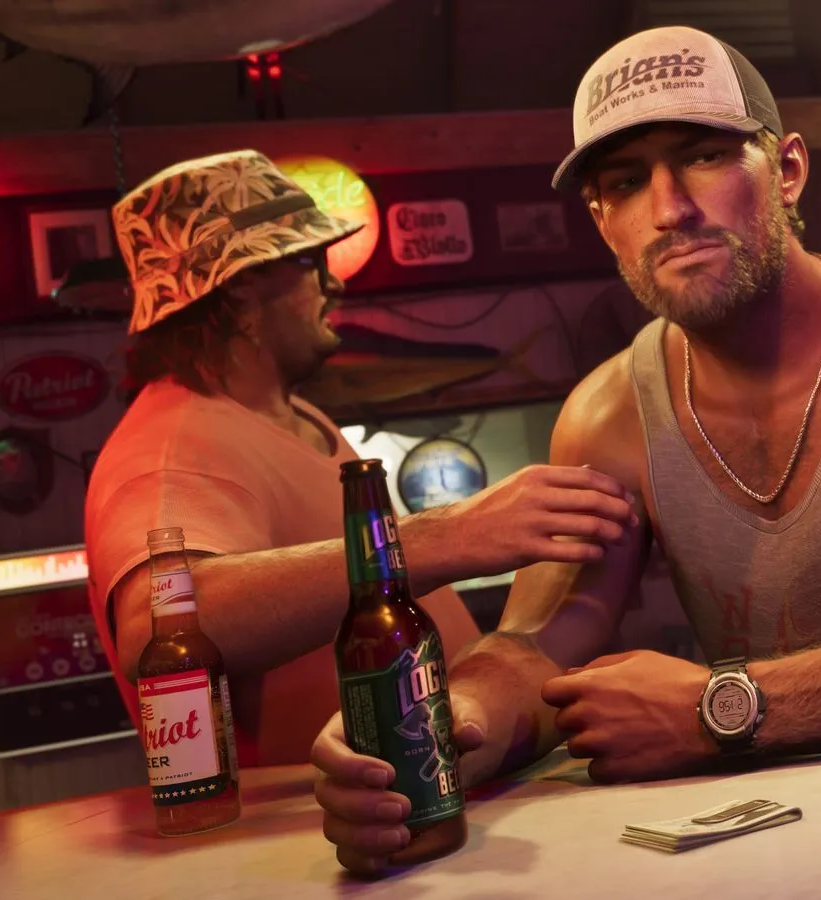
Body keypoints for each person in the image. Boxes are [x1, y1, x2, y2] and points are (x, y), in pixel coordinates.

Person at [312, 25, 821, 873]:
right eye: (625, 181)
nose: (670, 207)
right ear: (603, 219)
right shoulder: (606, 417)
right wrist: (442, 730)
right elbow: (537, 645)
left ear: (785, 170)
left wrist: (725, 706)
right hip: (779, 851)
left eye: (704, 156)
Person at [84, 150, 637, 767]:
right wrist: (448, 535)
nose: (334, 282)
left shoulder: (293, 418)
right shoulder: (176, 445)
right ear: (241, 287)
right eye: (311, 262)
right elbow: (157, 628)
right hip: (322, 828)